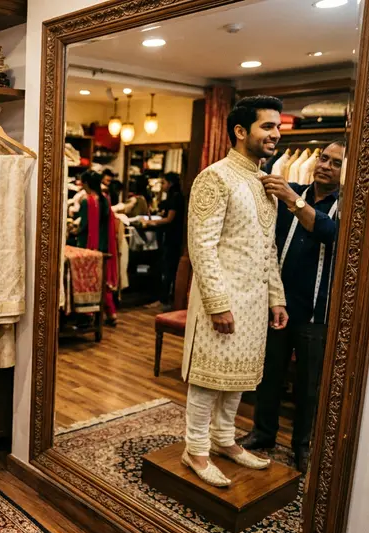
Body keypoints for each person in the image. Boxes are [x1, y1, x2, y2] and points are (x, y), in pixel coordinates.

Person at [181, 96, 289, 487]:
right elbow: (202, 245)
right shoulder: (216, 177)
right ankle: (195, 448)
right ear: (241, 131)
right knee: (209, 378)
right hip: (222, 302)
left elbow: (268, 247)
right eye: (267, 126)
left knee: (240, 378)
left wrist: (276, 297)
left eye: (278, 127)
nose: (275, 134)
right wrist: (217, 303)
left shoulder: (266, 182)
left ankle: (224, 439)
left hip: (255, 303)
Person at [240, 141, 344, 472]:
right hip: (277, 307)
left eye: (336, 162)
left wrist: (292, 200)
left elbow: (329, 232)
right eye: (323, 158)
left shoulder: (345, 206)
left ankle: (302, 446)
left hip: (316, 312)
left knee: (307, 385)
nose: (325, 165)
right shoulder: (292, 190)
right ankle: (263, 434)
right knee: (268, 376)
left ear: (346, 172)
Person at [76, 169, 118, 325]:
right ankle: (111, 314)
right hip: (104, 245)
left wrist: (74, 230)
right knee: (102, 280)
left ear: (86, 183)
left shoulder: (87, 201)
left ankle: (88, 315)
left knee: (88, 280)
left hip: (89, 245)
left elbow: (84, 225)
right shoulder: (105, 199)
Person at [139, 172, 185, 308]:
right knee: (168, 268)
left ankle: (163, 299)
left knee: (167, 269)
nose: (162, 185)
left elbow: (169, 219)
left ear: (170, 183)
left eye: (164, 183)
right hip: (173, 237)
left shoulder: (175, 198)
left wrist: (151, 223)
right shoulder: (174, 196)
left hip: (172, 238)